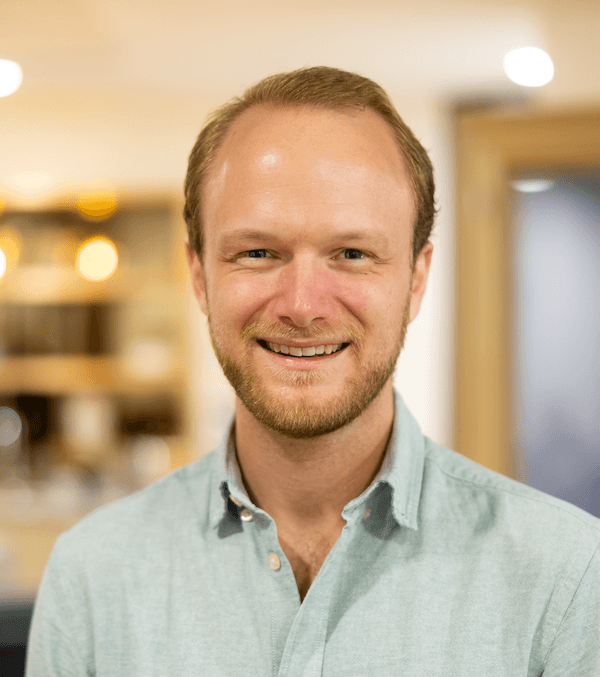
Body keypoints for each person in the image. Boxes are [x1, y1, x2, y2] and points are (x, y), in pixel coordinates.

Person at [27, 67, 599, 676]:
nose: (302, 306)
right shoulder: (93, 579)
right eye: (257, 252)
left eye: (352, 253)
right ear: (198, 276)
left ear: (416, 279)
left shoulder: (565, 577)